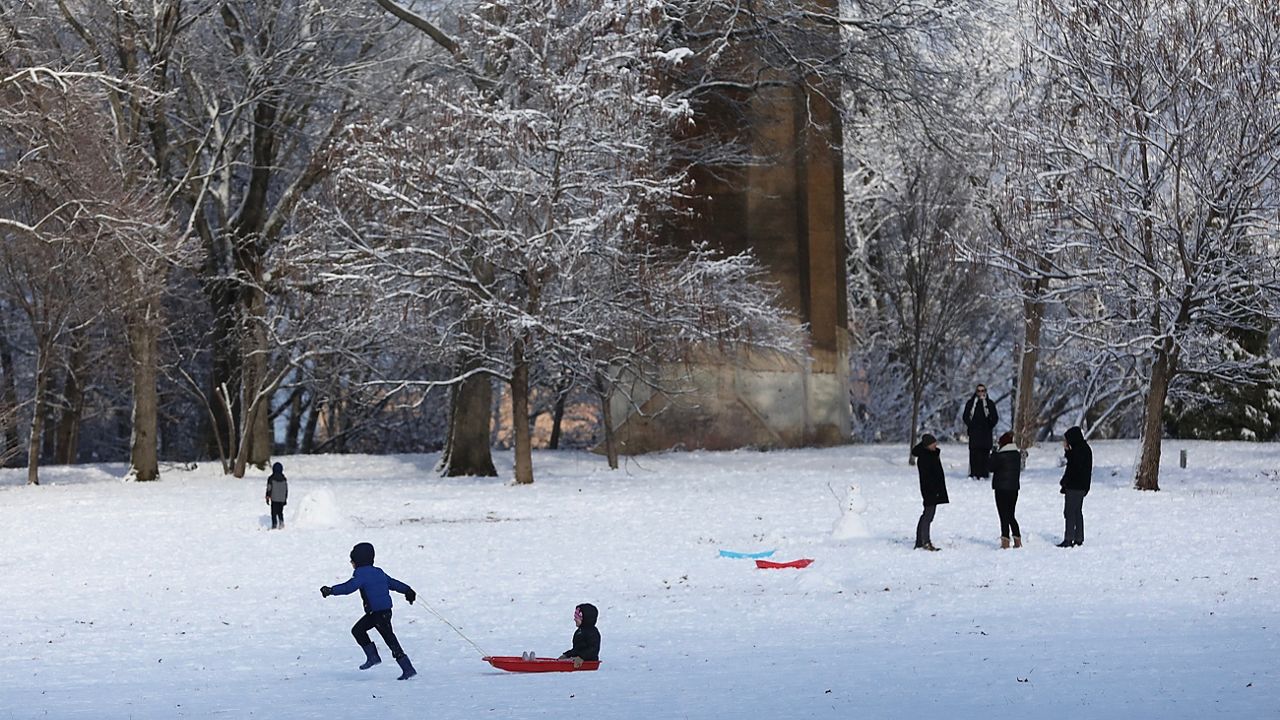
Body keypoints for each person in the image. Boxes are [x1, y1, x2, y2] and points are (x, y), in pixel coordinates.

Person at [321, 542, 419, 680]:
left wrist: (331, 590)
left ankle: (406, 668)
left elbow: (348, 588)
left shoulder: (361, 574)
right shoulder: (378, 572)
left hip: (377, 614)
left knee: (389, 639)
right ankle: (374, 657)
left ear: (358, 561)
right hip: (383, 612)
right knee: (359, 631)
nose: (351, 563)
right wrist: (407, 590)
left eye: (352, 560)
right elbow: (393, 583)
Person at [910, 433, 948, 551]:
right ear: (927, 445)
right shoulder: (925, 457)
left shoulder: (931, 454)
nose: (935, 445)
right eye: (933, 443)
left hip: (933, 490)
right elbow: (928, 477)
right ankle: (924, 541)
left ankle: (920, 541)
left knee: (927, 515)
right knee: (928, 515)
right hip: (930, 490)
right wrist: (934, 490)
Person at [1058, 426, 1092, 548]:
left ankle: (1069, 538)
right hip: (1082, 486)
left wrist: (1065, 481)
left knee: (1069, 512)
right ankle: (1078, 537)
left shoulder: (1078, 450)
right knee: (1077, 511)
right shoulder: (1084, 448)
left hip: (1074, 486)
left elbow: (1073, 468)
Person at [989, 431, 1022, 549]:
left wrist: (993, 453)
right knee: (1011, 514)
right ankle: (1017, 539)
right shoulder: (1016, 455)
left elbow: (990, 467)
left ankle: (1005, 541)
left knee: (1003, 515)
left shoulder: (1000, 456)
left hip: (1001, 488)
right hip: (1014, 488)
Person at [963, 385, 999, 479]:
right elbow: (965, 416)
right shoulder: (971, 403)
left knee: (985, 454)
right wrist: (971, 425)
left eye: (982, 391)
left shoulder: (990, 404)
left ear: (985, 391)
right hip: (974, 434)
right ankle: (974, 474)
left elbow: (995, 418)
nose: (980, 393)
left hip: (986, 434)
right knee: (974, 454)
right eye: (978, 391)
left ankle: (984, 473)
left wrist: (989, 425)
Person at [558, 603, 601, 668]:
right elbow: (577, 649)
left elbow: (593, 649)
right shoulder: (579, 632)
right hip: (577, 661)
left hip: (588, 662)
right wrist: (567, 655)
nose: (574, 619)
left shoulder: (592, 632)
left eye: (577, 618)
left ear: (585, 619)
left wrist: (582, 657)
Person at [265, 462, 288, 530]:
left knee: (274, 513)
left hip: (274, 499)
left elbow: (269, 488)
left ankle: (274, 525)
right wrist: (285, 499)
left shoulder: (271, 478)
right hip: (282, 499)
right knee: (280, 512)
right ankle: (281, 523)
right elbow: (286, 490)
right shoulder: (284, 478)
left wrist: (267, 496)